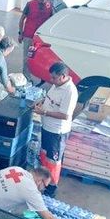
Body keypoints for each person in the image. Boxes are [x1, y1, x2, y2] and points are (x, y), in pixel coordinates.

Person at [36, 62, 78, 196]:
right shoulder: (56, 85)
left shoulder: (70, 92)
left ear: (63, 76)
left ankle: (52, 187)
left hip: (57, 132)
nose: (51, 80)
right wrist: (41, 102)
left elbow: (65, 115)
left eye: (54, 78)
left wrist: (44, 113)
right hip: (47, 127)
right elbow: (50, 99)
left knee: (53, 161)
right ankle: (43, 181)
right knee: (44, 155)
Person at [19, 0, 54, 79]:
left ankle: (40, 75)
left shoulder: (49, 6)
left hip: (40, 38)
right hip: (28, 35)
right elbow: (22, 18)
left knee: (40, 58)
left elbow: (51, 21)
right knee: (26, 58)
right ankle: (26, 77)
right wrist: (20, 33)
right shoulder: (30, 4)